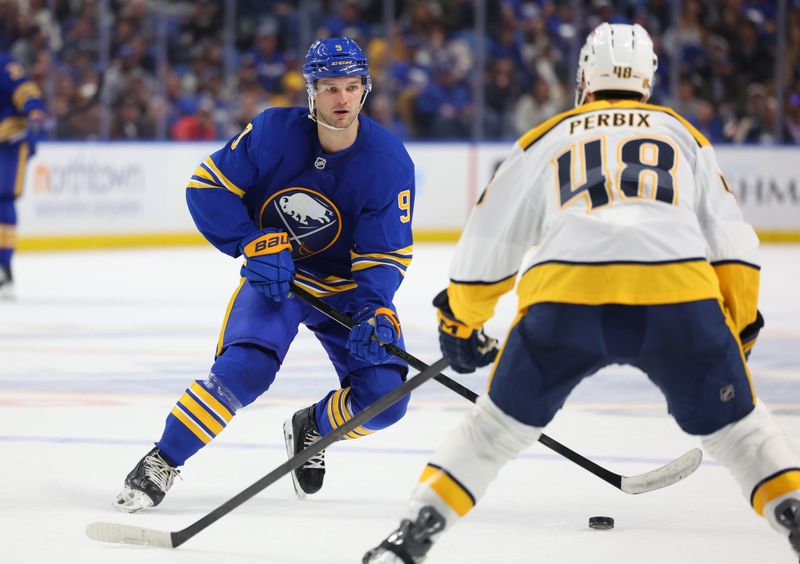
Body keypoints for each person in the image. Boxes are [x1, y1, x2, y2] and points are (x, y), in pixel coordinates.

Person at [364, 23, 800, 563]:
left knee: (493, 432)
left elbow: (490, 238)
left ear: (584, 77)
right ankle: (795, 513)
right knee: (742, 433)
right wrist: (737, 322)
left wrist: (461, 319)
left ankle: (411, 535)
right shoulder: (684, 135)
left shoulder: (547, 137)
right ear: (648, 79)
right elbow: (733, 242)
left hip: (568, 295)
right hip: (678, 295)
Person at [115, 36, 415, 511]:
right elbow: (207, 187)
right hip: (278, 279)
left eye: (352, 87)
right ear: (311, 92)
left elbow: (384, 255)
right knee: (243, 370)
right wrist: (250, 242)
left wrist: (375, 308)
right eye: (330, 88)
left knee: (385, 400)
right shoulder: (274, 131)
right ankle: (162, 461)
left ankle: (313, 426)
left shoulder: (388, 162)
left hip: (345, 290)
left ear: (365, 90)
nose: (342, 99)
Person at [0, 53, 46, 299]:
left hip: (9, 145)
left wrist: (34, 112)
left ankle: (3, 268)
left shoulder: (3, 64)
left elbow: (25, 90)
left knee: (3, 199)